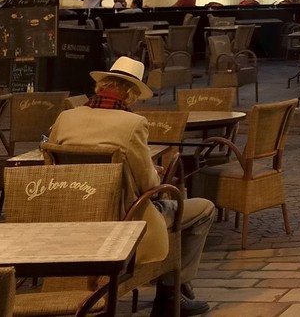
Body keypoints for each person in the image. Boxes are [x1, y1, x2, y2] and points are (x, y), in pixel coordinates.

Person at [48, 56, 214, 314]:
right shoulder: (133, 123)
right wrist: (156, 172)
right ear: (130, 94)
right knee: (203, 209)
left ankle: (177, 289)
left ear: (101, 86)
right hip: (124, 220)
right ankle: (172, 291)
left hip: (71, 217)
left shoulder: (65, 118)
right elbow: (148, 183)